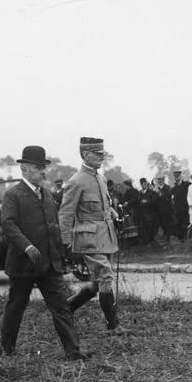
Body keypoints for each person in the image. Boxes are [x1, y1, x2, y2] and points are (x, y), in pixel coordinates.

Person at [0, 145, 88, 360]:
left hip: (48, 264)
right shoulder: (13, 195)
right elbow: (8, 224)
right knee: (16, 307)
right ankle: (6, 351)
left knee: (61, 307)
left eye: (43, 167)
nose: (42, 171)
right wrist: (27, 246)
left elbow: (53, 227)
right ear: (25, 170)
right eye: (38, 168)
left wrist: (62, 255)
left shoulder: (47, 195)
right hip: (23, 265)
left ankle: (73, 351)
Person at [60, 137, 131, 336]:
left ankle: (65, 310)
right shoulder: (76, 182)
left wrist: (116, 216)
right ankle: (113, 326)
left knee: (97, 282)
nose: (101, 157)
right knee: (106, 275)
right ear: (85, 155)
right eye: (97, 154)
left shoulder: (100, 179)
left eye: (102, 154)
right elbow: (65, 214)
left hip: (105, 236)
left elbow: (105, 206)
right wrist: (65, 242)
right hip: (88, 238)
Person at [136, 178, 160, 247]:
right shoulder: (140, 193)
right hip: (142, 214)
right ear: (141, 185)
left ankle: (151, 241)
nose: (144, 185)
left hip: (150, 213)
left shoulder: (151, 192)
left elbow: (155, 201)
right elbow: (137, 202)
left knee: (151, 228)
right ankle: (146, 242)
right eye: (142, 184)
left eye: (145, 183)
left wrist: (147, 202)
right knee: (144, 228)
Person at [170, 169, 191, 241]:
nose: (177, 178)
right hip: (177, 210)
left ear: (181, 177)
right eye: (175, 177)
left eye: (178, 177)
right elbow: (171, 198)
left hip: (186, 209)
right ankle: (181, 239)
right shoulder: (173, 188)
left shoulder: (187, 185)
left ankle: (187, 238)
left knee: (186, 224)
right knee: (178, 224)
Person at [154, 175, 174, 243]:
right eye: (158, 180)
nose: (160, 181)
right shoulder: (156, 189)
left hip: (167, 210)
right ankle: (164, 238)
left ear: (163, 180)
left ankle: (168, 238)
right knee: (162, 224)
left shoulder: (168, 188)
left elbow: (167, 198)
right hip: (159, 210)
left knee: (167, 224)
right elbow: (155, 200)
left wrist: (159, 193)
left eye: (161, 180)